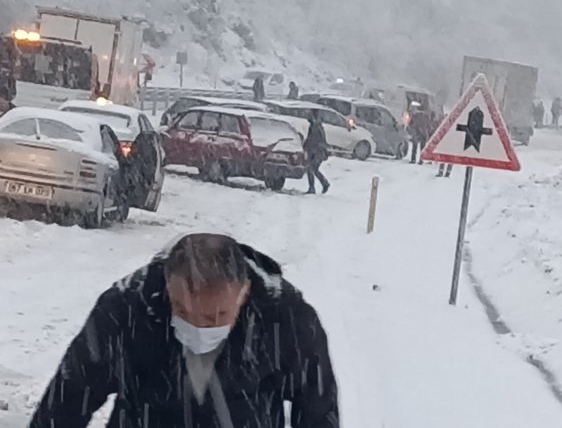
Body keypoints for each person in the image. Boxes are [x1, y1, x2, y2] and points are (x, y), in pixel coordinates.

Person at [29, 233, 339, 428]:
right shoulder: (126, 309)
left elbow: (318, 410)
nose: (198, 327)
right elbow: (70, 395)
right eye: (182, 310)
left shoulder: (286, 317)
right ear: (166, 285)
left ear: (244, 293)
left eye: (216, 315)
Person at [305, 109, 330, 194]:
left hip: (317, 151)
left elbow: (312, 140)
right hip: (318, 151)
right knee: (314, 169)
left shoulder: (315, 127)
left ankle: (312, 188)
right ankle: (324, 183)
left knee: (310, 169)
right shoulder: (318, 126)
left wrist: (306, 147)